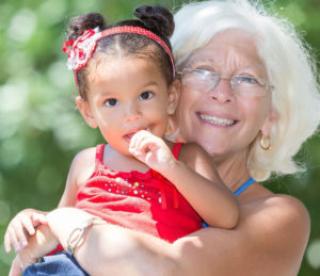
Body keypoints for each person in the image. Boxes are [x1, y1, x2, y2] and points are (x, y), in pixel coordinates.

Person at [7, 0, 320, 275]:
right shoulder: (96, 165)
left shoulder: (279, 217)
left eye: (247, 79)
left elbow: (166, 271)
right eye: (203, 71)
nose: (222, 93)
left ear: (273, 114)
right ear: (174, 88)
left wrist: (67, 226)